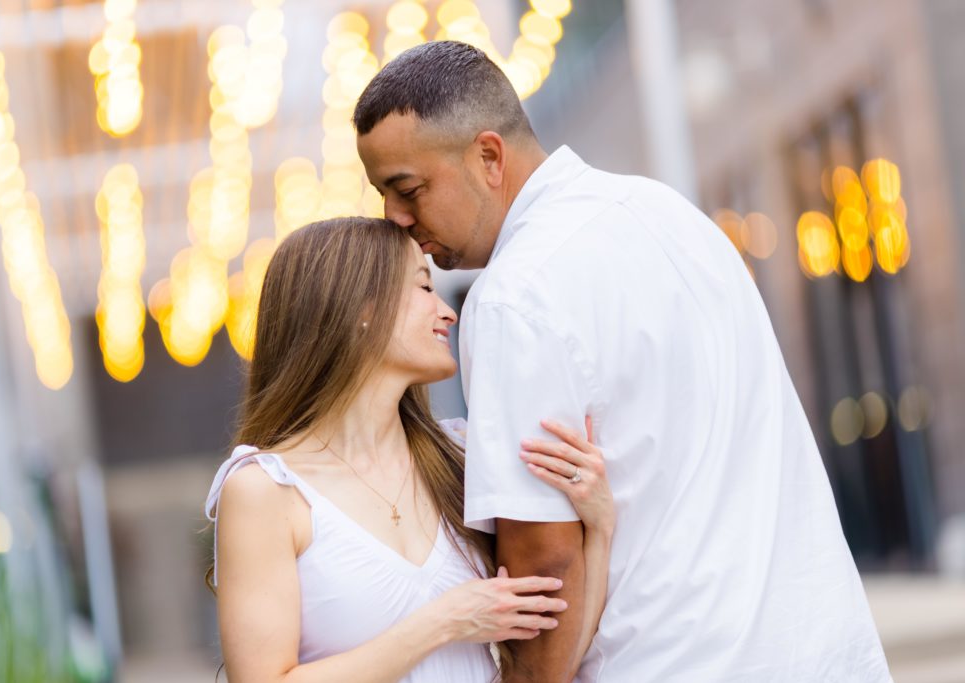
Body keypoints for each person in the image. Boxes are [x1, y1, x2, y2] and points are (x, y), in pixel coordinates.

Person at [355, 40, 891, 682]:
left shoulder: (514, 297)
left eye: (407, 188)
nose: (394, 217)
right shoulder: (672, 216)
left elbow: (545, 569)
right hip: (821, 650)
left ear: (489, 156)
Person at [203, 217, 616, 682]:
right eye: (424, 288)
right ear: (361, 306)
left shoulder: (459, 457)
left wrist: (598, 528)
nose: (448, 312)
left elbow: (552, 664)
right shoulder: (265, 490)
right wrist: (443, 622)